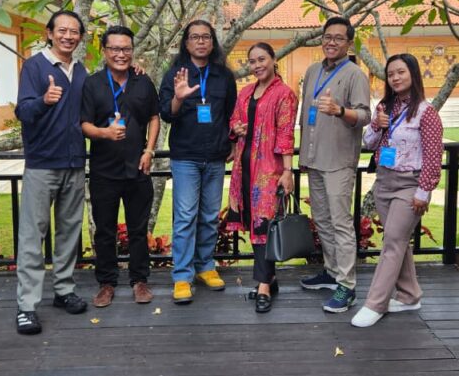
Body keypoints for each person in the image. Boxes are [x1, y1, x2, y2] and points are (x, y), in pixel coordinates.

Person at [351, 53, 443, 328]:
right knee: (398, 241)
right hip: (384, 181)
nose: (395, 78)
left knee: (392, 241)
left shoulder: (426, 113)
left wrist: (423, 192)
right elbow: (369, 143)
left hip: (409, 184)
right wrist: (376, 126)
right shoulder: (385, 107)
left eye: (401, 72)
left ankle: (375, 303)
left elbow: (433, 156)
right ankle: (409, 295)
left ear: (413, 73)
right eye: (391, 74)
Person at [15, 10, 88, 335]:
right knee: (33, 236)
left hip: (74, 163)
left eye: (74, 32)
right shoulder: (35, 67)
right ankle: (27, 306)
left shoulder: (80, 71)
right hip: (42, 164)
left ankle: (63, 290)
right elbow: (23, 111)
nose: (68, 36)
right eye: (62, 30)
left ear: (80, 37)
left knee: (69, 233)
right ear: (49, 33)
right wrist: (44, 100)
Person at [81, 26, 160, 308]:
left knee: (139, 229)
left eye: (126, 48)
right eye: (114, 48)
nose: (121, 54)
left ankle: (139, 281)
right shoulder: (92, 84)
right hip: (104, 171)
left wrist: (149, 151)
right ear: (104, 51)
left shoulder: (142, 81)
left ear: (132, 51)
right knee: (105, 230)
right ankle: (106, 283)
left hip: (137, 168)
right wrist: (104, 133)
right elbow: (84, 124)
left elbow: (154, 117)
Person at [159, 20, 237, 304]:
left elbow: (231, 113)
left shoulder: (223, 76)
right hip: (186, 157)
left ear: (213, 42)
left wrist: (232, 142)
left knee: (209, 216)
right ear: (186, 43)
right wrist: (179, 98)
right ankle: (182, 275)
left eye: (206, 37)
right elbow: (166, 114)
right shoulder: (175, 74)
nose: (201, 41)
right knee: (185, 217)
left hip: (216, 156)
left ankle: (205, 266)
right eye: (195, 37)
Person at [299, 16, 371, 313]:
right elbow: (305, 114)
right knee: (323, 221)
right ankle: (331, 272)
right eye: (327, 36)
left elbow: (364, 116)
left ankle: (347, 286)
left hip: (339, 161)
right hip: (314, 159)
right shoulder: (312, 71)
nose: (331, 42)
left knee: (340, 224)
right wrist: (304, 157)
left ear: (349, 43)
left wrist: (340, 110)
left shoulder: (355, 75)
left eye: (338, 38)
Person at [228, 44, 298, 313]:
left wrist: (288, 172)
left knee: (263, 227)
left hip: (269, 171)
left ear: (273, 59)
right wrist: (236, 128)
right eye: (252, 61)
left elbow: (286, 135)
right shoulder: (245, 92)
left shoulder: (284, 94)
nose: (257, 65)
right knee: (253, 224)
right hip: (244, 168)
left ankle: (264, 286)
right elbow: (234, 122)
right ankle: (270, 279)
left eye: (262, 59)